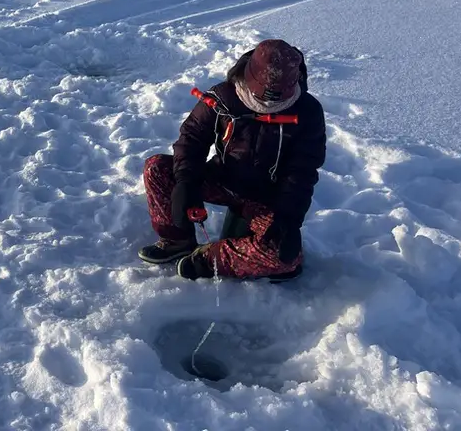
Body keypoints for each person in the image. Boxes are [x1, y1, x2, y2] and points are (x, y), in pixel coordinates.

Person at [137, 38, 327, 281]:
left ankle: (208, 259)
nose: (268, 107)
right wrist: (186, 183)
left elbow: (302, 171)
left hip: (267, 200)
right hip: (222, 179)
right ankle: (177, 241)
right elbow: (192, 138)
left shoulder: (308, 112)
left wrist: (288, 218)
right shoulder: (223, 96)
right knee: (157, 168)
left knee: (285, 258)